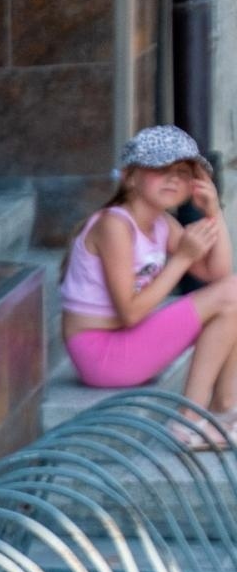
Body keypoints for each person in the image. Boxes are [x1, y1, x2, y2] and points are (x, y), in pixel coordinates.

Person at [59, 125, 237, 445]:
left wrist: (213, 212)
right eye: (160, 168)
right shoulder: (114, 224)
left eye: (183, 172)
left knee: (232, 294)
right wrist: (181, 259)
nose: (173, 178)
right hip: (102, 355)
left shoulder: (161, 223)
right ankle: (190, 422)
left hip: (125, 344)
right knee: (231, 295)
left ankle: (224, 407)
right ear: (130, 176)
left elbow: (218, 272)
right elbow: (129, 313)